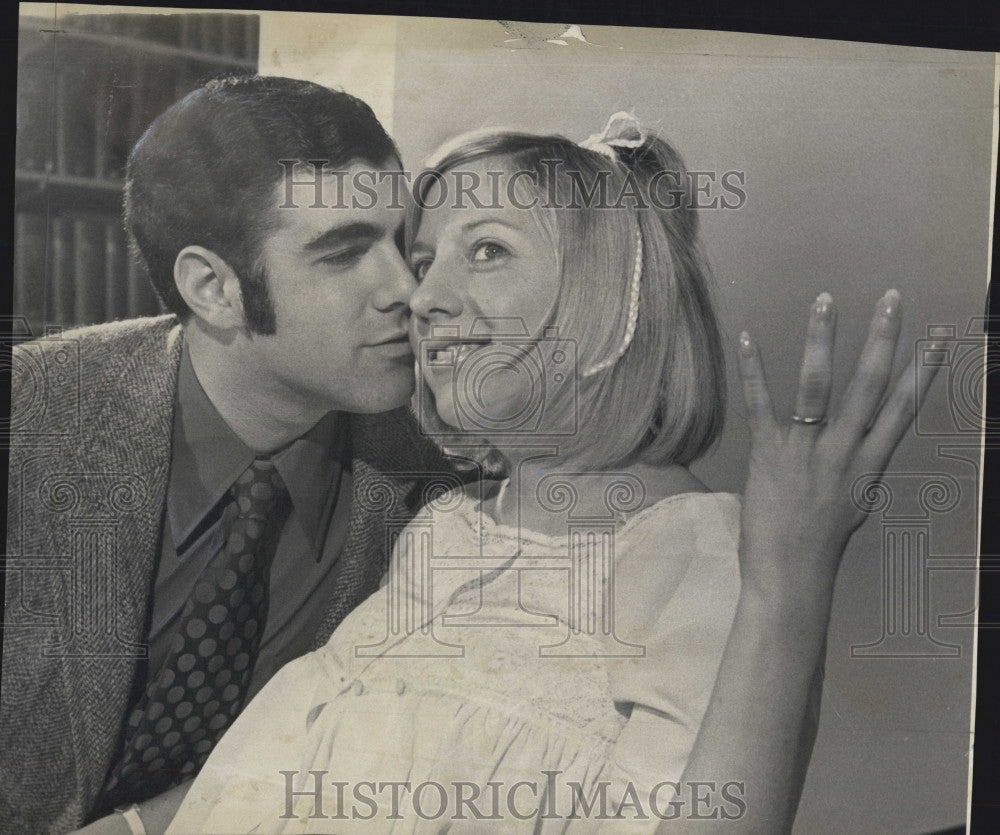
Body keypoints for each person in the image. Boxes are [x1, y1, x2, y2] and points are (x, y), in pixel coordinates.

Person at [164, 117, 941, 833]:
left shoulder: (699, 553)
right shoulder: (446, 527)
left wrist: (790, 576)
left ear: (604, 305)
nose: (422, 298)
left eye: (488, 250)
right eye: (427, 261)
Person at [2, 75, 455, 834]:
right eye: (344, 254)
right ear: (213, 288)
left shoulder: (453, 475)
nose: (407, 290)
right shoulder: (32, 417)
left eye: (403, 243)